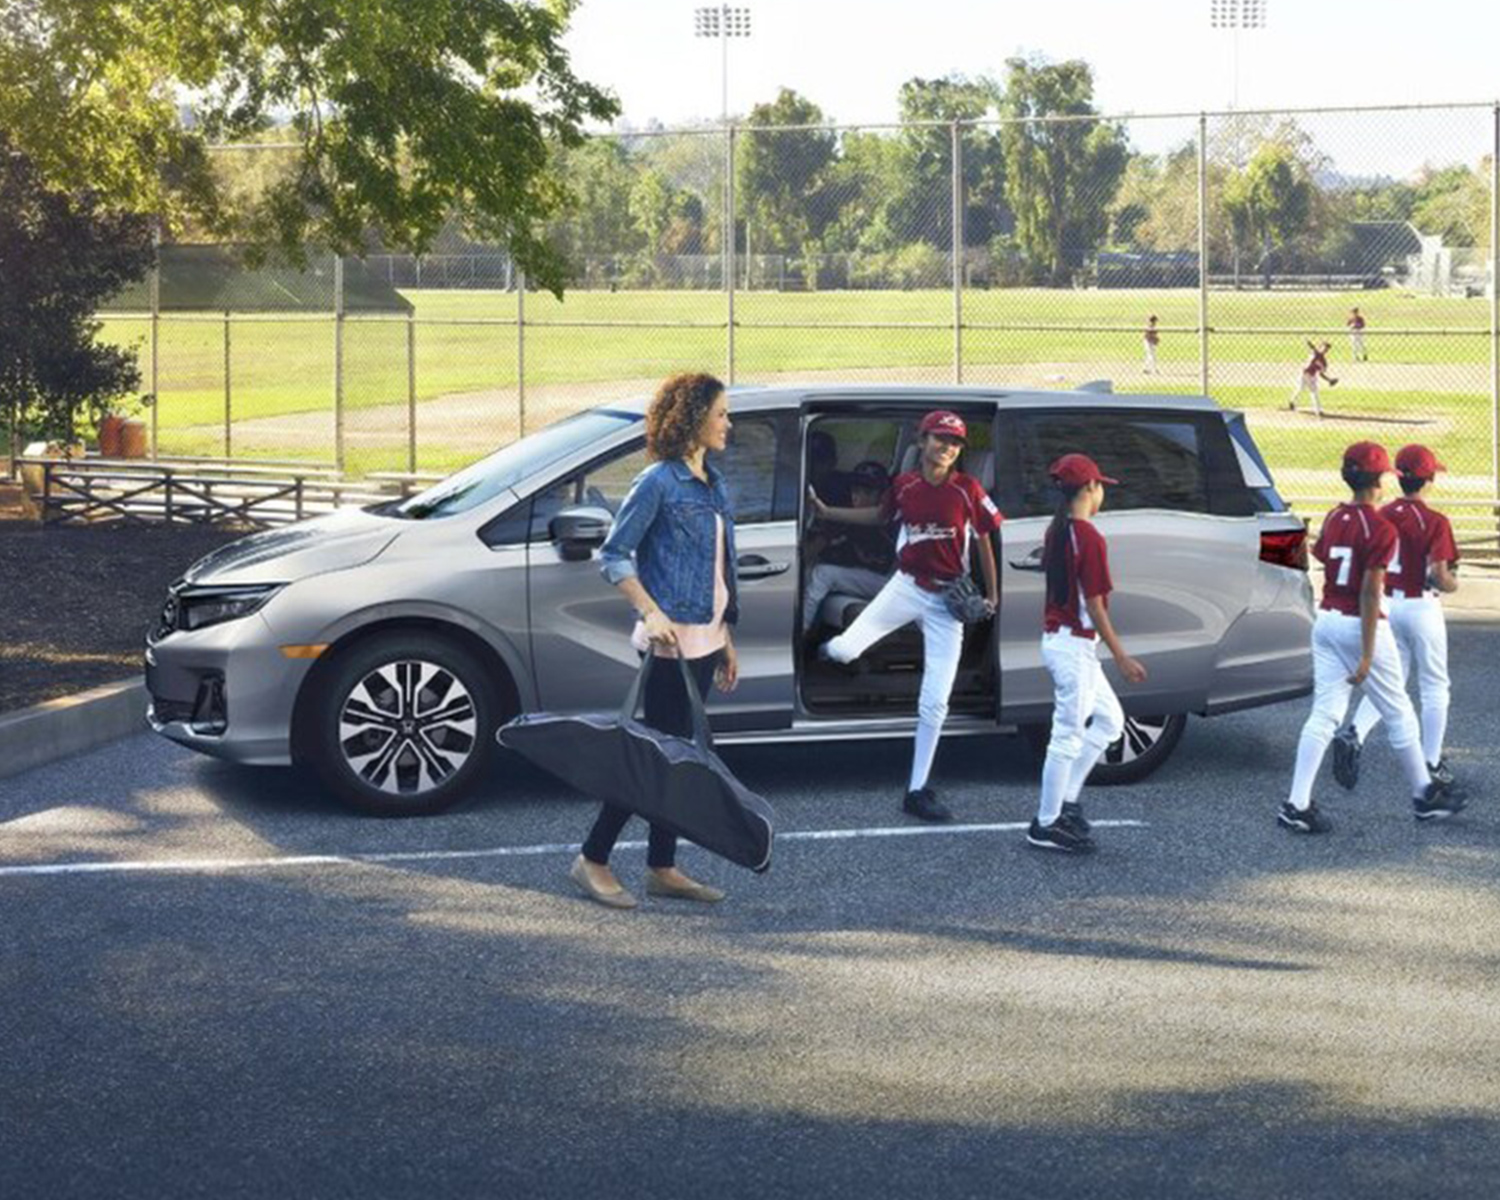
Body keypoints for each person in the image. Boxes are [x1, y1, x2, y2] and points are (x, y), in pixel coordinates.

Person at [576, 372, 740, 909]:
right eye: (720, 414)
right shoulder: (659, 482)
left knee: (678, 759)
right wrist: (649, 612)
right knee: (652, 760)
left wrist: (726, 636)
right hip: (668, 645)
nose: (728, 424)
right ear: (693, 417)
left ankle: (661, 866)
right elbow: (615, 554)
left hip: (706, 639)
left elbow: (717, 568)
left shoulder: (713, 482)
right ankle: (592, 857)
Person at [808, 411, 1002, 822]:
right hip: (906, 586)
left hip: (947, 600)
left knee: (936, 702)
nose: (947, 448)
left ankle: (917, 790)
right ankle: (821, 652)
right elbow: (879, 517)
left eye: (954, 443)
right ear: (923, 440)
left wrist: (992, 594)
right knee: (843, 650)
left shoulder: (967, 489)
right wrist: (826, 511)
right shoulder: (906, 485)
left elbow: (985, 537)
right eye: (940, 439)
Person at [1278, 441, 1463, 835]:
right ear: (1378, 480)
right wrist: (1365, 653)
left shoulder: (1335, 516)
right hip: (1358, 622)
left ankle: (1296, 803)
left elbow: (1325, 556)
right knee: (1399, 710)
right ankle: (1424, 796)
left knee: (1325, 713)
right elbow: (1368, 590)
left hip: (1325, 620)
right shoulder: (1378, 526)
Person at [1028, 454, 1147, 854]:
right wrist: (1123, 656)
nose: (1102, 495)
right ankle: (1046, 823)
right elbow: (1095, 606)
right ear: (1090, 489)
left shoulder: (1058, 530)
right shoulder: (1089, 536)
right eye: (1101, 487)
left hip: (1065, 643)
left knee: (1111, 721)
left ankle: (1067, 800)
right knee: (1066, 737)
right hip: (1073, 645)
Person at [1332, 443, 1461, 792]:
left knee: (1393, 679)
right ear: (1429, 478)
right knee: (1435, 685)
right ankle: (1431, 762)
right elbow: (1438, 575)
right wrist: (1453, 584)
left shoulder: (1382, 514)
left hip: (1388, 603)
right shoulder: (1434, 520)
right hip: (1421, 606)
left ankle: (1355, 732)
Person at [801, 459, 896, 632]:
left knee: (823, 574)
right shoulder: (846, 519)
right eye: (855, 490)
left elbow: (879, 520)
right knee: (809, 573)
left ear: (882, 495)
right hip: (867, 578)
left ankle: (800, 635)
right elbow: (810, 554)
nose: (858, 496)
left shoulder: (889, 521)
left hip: (892, 583)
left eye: (867, 491)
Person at [1289, 340, 1338, 416]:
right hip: (1303, 373)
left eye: (1326, 349)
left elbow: (1321, 373)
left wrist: (1329, 380)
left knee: (1314, 392)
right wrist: (1307, 341)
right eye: (1324, 348)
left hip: (1312, 376)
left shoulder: (1324, 362)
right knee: (1300, 389)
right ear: (1320, 347)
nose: (1325, 350)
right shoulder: (1315, 353)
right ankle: (1292, 402)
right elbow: (1312, 347)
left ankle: (1317, 410)